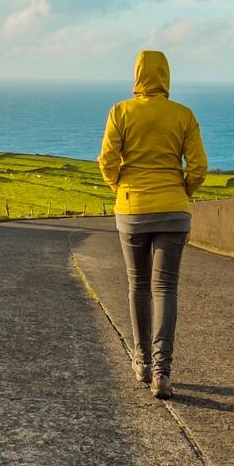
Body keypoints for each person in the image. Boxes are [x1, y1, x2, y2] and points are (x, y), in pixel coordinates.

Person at [97, 50, 207, 399]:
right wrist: (181, 191)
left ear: (138, 75)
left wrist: (119, 187)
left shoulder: (121, 111)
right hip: (174, 209)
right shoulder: (183, 115)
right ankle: (163, 372)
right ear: (166, 76)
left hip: (132, 209)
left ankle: (142, 361)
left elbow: (108, 160)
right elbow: (199, 166)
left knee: (138, 285)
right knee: (166, 289)